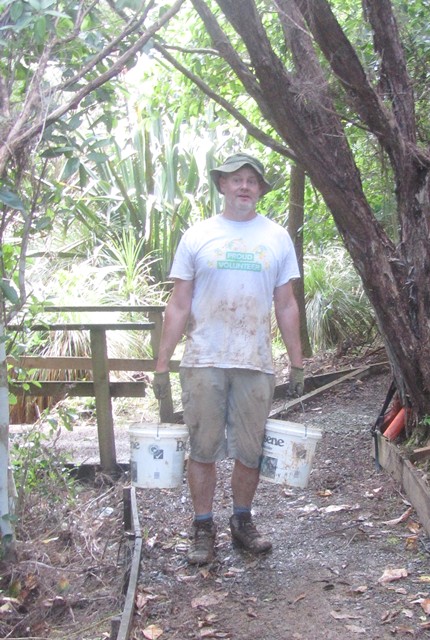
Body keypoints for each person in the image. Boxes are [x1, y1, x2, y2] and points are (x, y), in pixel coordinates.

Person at [153, 152, 304, 565]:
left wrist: (297, 362)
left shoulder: (276, 238)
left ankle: (242, 521)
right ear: (222, 185)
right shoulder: (198, 235)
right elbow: (178, 303)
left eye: (251, 180)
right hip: (203, 359)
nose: (244, 186)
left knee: (249, 451)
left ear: (260, 190)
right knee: (203, 449)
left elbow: (286, 303)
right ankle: (203, 526)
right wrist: (162, 363)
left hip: (255, 361)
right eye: (236, 179)